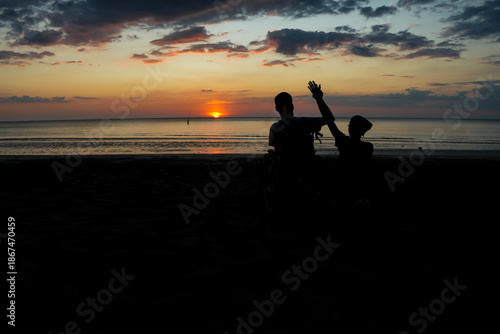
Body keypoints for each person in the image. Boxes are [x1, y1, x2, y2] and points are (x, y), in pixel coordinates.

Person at [307, 81, 373, 202]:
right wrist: (319, 98)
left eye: (351, 126)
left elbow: (329, 121)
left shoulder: (344, 142)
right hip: (360, 185)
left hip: (345, 184)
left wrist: (319, 99)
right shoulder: (368, 147)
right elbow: (368, 125)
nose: (349, 127)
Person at [269, 92, 326, 167]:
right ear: (292, 107)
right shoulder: (305, 122)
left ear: (276, 108)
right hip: (307, 166)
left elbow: (277, 150)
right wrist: (319, 99)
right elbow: (329, 119)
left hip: (286, 169)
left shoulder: (275, 128)